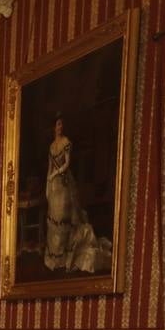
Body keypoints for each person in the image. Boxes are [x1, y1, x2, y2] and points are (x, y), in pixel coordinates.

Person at [44, 115, 112, 274]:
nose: (60, 127)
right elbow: (49, 167)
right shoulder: (51, 146)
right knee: (54, 219)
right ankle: (57, 259)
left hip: (64, 183)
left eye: (61, 124)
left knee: (64, 218)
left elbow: (67, 163)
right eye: (57, 124)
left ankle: (68, 257)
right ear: (53, 128)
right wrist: (47, 186)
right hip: (53, 186)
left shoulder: (66, 142)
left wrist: (55, 175)